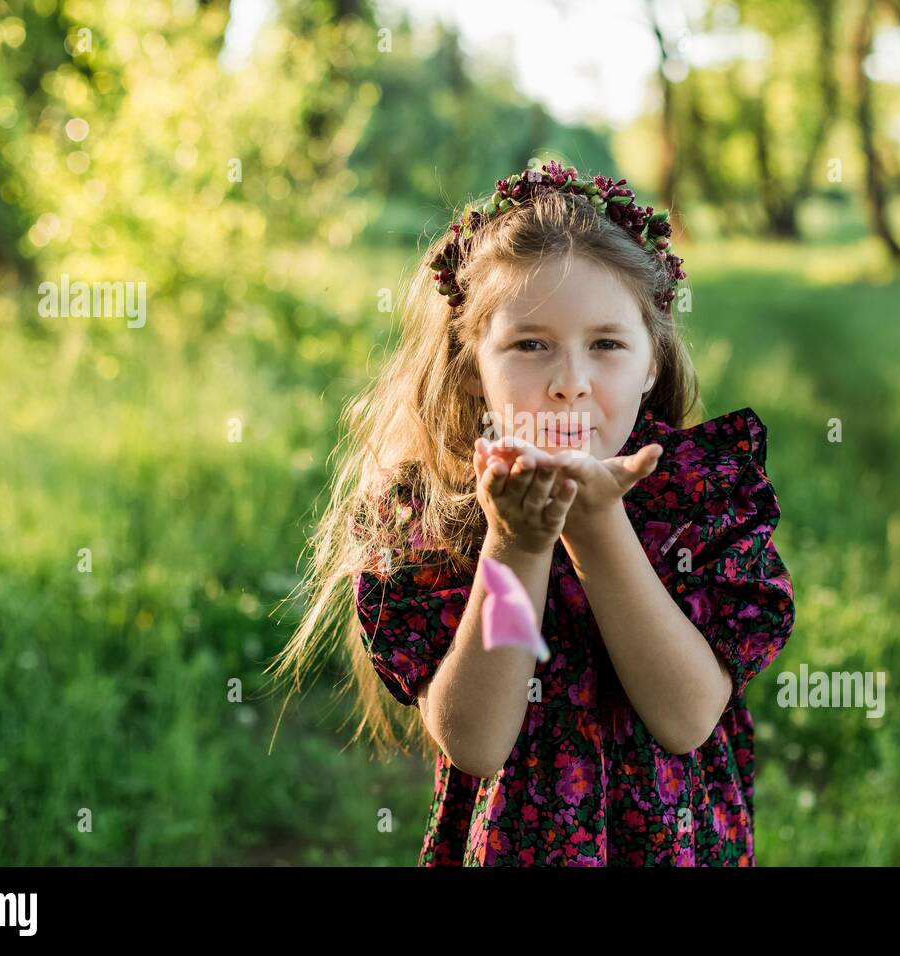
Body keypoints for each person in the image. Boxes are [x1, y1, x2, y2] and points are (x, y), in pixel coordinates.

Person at [269, 161, 795, 865]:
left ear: (651, 360)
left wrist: (598, 527)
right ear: (471, 362)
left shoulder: (698, 499)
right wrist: (516, 545)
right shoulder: (437, 514)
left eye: (606, 345)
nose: (569, 383)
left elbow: (685, 716)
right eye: (530, 344)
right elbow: (477, 742)